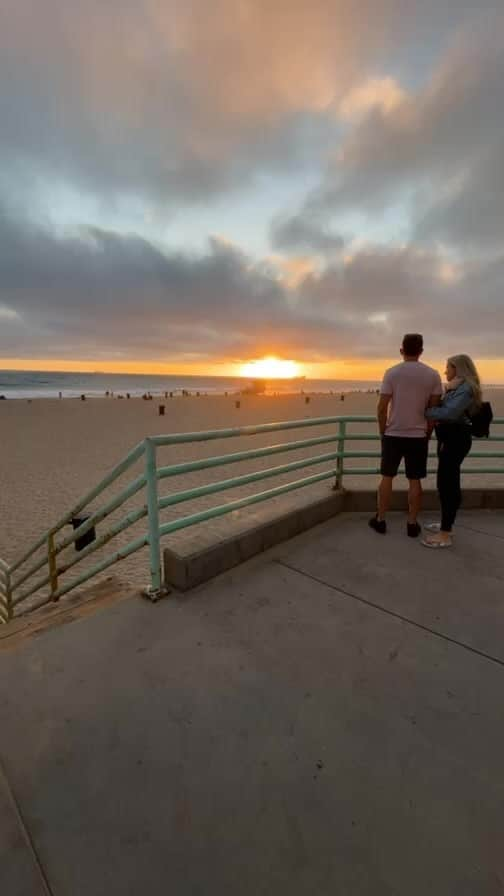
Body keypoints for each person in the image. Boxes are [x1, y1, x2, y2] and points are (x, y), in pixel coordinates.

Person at [369, 333, 442, 536]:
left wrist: (383, 432)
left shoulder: (392, 373)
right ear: (421, 351)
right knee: (415, 480)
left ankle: (381, 519)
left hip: (394, 433)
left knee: (387, 478)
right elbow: (433, 411)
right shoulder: (433, 375)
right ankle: (411, 523)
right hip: (418, 436)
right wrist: (428, 432)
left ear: (402, 350)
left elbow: (381, 408)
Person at [422, 354, 482, 548]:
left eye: (448, 367)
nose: (445, 371)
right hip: (448, 438)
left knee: (448, 484)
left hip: (455, 439)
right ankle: (447, 525)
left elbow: (449, 413)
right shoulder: (455, 387)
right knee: (446, 482)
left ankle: (445, 534)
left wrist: (424, 412)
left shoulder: (466, 389)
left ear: (458, 369)